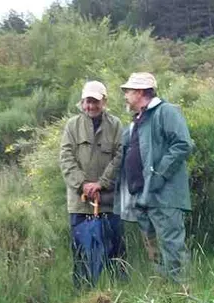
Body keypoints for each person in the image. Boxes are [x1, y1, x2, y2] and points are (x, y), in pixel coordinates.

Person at [116, 72, 193, 282]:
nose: (125, 96)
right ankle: (165, 299)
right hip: (142, 197)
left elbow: (183, 144)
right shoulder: (137, 121)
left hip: (164, 195)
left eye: (128, 91)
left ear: (140, 92)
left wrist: (158, 176)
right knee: (154, 252)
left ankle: (183, 297)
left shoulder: (165, 111)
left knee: (172, 247)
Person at [59, 80, 124, 286]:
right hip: (80, 204)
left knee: (115, 252)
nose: (91, 106)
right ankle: (82, 295)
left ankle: (119, 292)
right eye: (87, 101)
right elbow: (66, 158)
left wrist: (102, 183)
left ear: (104, 101)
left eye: (95, 101)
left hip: (108, 201)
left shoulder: (116, 125)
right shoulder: (72, 126)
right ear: (82, 102)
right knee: (81, 254)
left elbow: (121, 156)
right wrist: (84, 185)